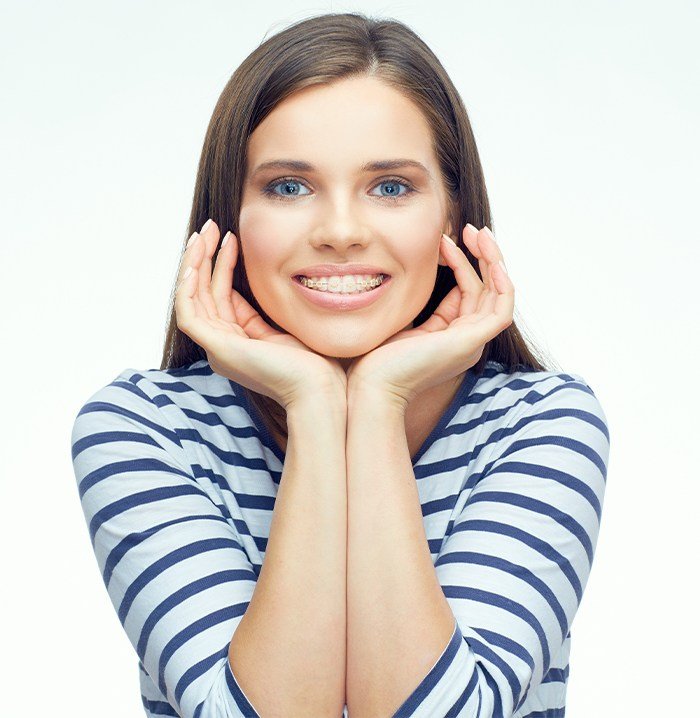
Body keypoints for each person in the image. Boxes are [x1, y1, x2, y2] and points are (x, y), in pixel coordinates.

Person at [70, 11, 610, 718]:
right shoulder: (146, 428)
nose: (342, 233)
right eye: (289, 187)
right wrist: (317, 409)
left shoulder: (541, 423)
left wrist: (377, 404)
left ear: (451, 215)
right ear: (228, 218)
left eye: (390, 187)